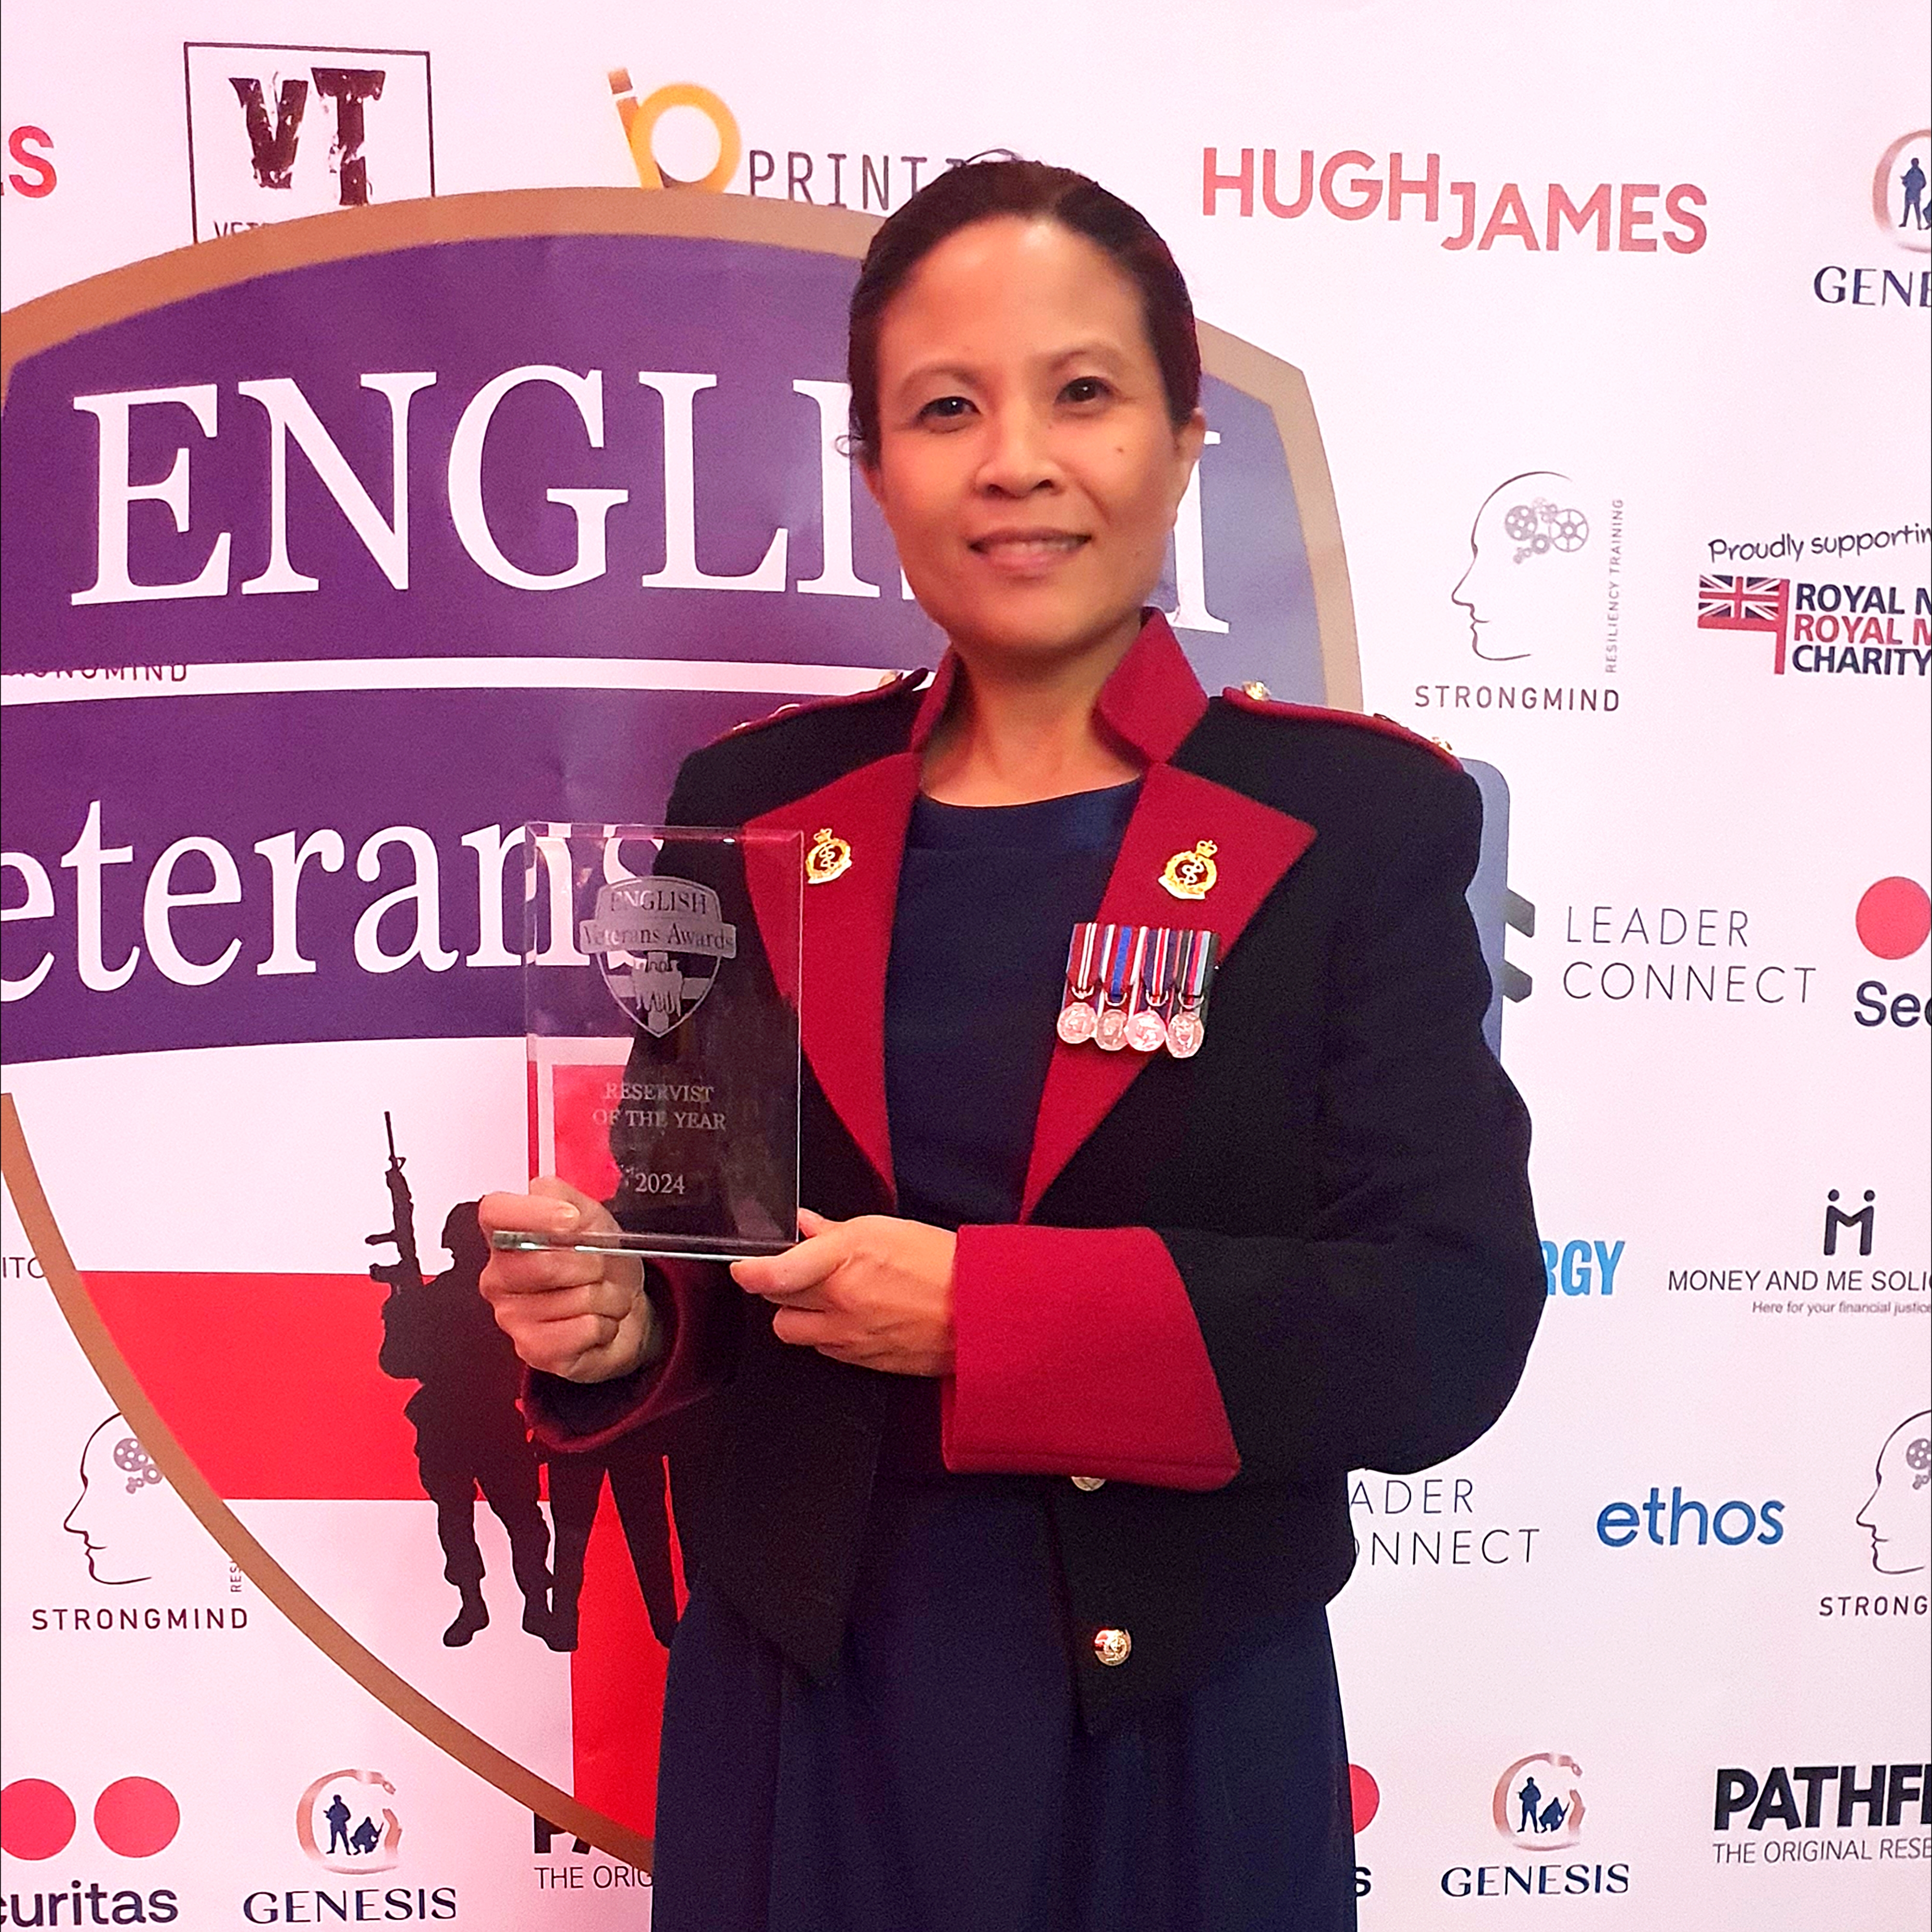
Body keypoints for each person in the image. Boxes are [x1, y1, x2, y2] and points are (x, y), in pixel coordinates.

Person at [481, 158, 1544, 1932]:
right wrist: (618, 1321)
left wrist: (990, 1315)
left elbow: (1444, 1326)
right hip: (802, 1703)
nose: (1016, 461)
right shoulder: (747, 808)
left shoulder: (1357, 820)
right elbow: (708, 1260)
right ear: (872, 466)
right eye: (946, 406)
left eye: (1084, 393)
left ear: (1185, 441)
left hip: (1174, 1722)